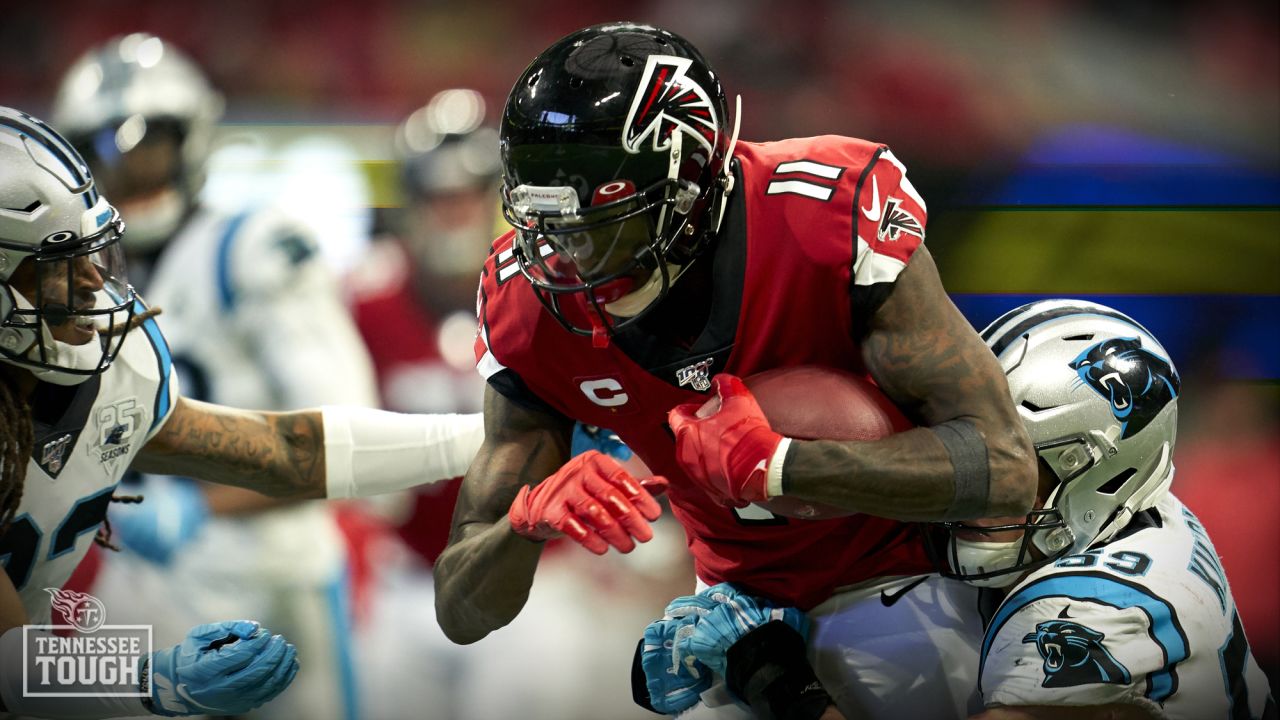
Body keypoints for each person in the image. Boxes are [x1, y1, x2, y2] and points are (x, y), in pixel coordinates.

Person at [435, 22, 1037, 719]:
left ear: (687, 173)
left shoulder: (819, 216)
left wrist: (784, 467)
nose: (565, 253)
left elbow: (1004, 465)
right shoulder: (524, 303)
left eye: (595, 215)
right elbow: (459, 609)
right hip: (737, 615)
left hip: (906, 585)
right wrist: (523, 524)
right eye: (548, 218)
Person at [0, 106, 483, 718]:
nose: (94, 282)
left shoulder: (109, 364)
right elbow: (11, 663)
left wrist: (490, 437)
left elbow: (288, 452)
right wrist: (149, 679)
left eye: (92, 252)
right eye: (56, 263)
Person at [644, 300, 1277, 720]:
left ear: (1107, 473)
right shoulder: (1114, 518)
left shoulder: (1089, 608)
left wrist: (777, 682)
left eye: (1016, 468)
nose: (980, 481)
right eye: (969, 443)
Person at [49, 33, 383, 719]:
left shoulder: (252, 248)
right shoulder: (74, 279)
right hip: (141, 580)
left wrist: (200, 505)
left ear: (193, 142)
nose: (135, 176)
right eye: (113, 157)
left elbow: (347, 432)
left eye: (151, 150)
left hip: (270, 576)